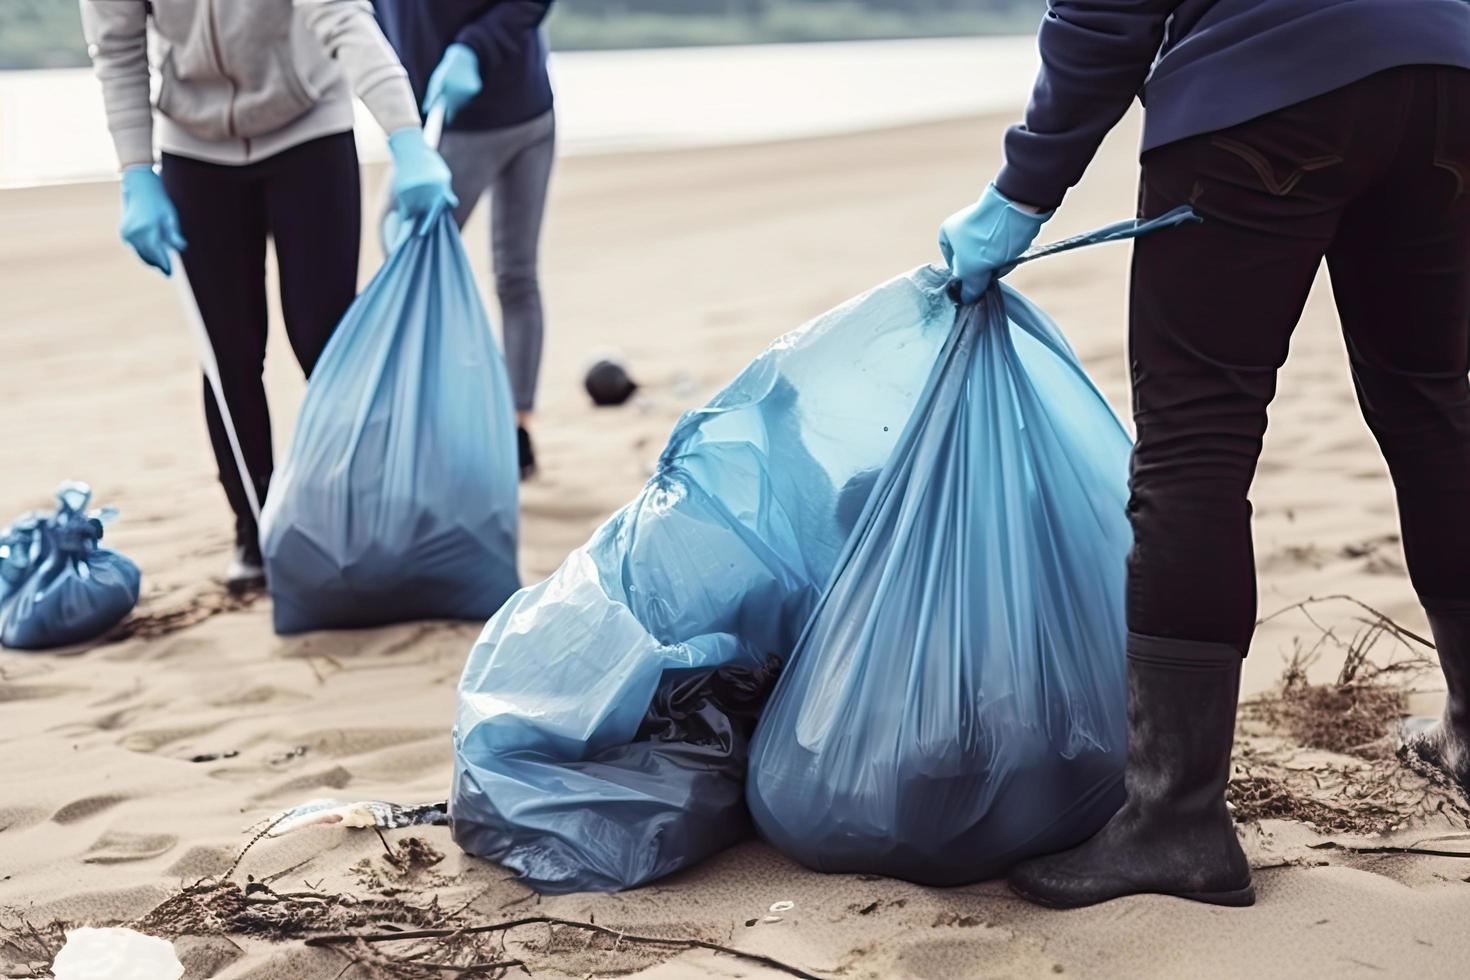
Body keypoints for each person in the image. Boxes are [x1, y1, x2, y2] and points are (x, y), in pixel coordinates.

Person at [938, 1, 1470, 909]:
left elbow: (1106, 11)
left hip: (1263, 98)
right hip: (1447, 85)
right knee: (1435, 412)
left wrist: (1023, 190)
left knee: (1197, 446)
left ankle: (1174, 822)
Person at [80, 0, 457, 592]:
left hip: (309, 127)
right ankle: (254, 530)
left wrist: (406, 136)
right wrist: (134, 170)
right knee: (226, 354)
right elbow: (118, 49)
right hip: (195, 146)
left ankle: (352, 519)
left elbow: (344, 19)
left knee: (325, 343)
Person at [373, 0, 555, 479]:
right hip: (451, 112)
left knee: (505, 274)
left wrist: (474, 48)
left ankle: (509, 428)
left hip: (500, 118)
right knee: (409, 254)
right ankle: (479, 421)